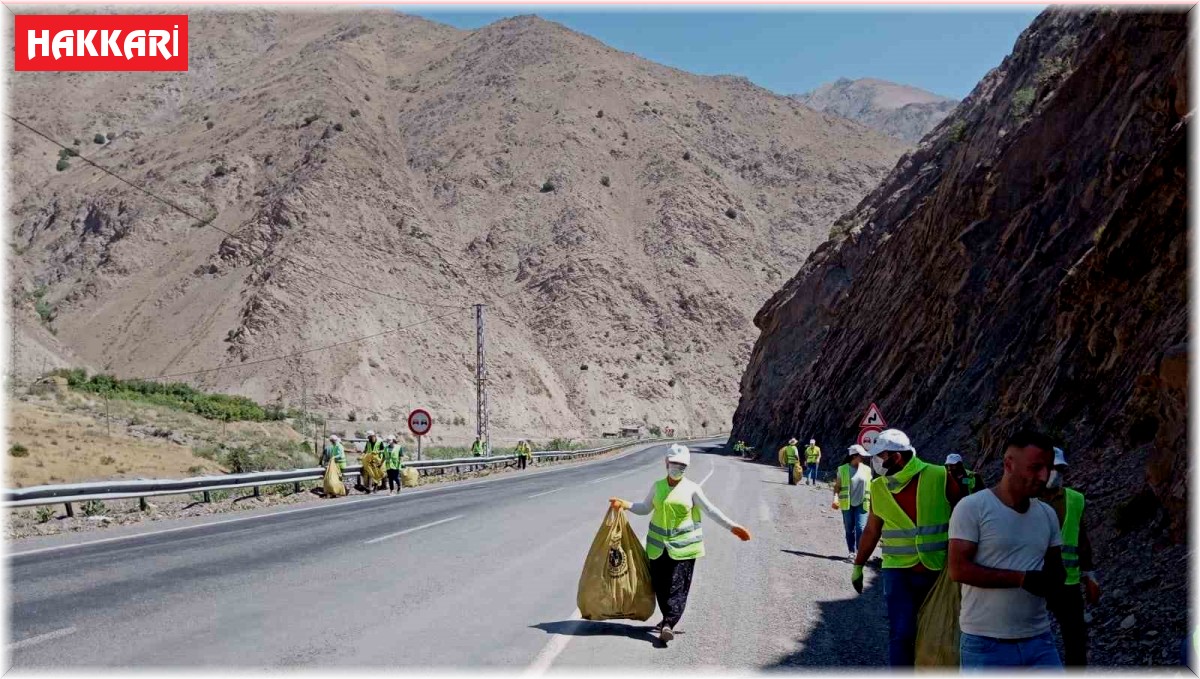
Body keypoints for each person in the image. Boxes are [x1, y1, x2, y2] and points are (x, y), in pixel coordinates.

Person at [609, 444, 751, 644]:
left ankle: (668, 624)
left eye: (682, 465)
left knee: (677, 587)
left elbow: (710, 510)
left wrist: (732, 527)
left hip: (684, 549)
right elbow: (645, 508)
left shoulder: (692, 489)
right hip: (657, 548)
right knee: (660, 586)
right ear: (666, 463)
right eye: (675, 463)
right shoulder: (657, 486)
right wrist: (626, 505)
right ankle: (667, 618)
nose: (678, 468)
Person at [948, 429, 1066, 669]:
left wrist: (1057, 580)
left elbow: (1056, 568)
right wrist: (1020, 578)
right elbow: (958, 569)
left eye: (1048, 468)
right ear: (1009, 464)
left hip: (1039, 640)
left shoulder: (1047, 514)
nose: (1044, 476)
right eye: (1035, 468)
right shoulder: (972, 508)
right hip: (986, 643)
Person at [852, 428, 966, 667]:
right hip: (897, 573)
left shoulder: (939, 476)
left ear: (896, 457)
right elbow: (872, 530)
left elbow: (965, 514)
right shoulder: (879, 487)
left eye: (879, 456)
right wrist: (858, 564)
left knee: (936, 633)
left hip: (937, 571)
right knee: (901, 634)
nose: (875, 462)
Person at [1040, 446, 1100, 667]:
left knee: (1075, 639)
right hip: (1034, 581)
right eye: (1052, 468)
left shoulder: (1075, 499)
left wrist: (1090, 576)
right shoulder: (1027, 500)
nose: (1056, 473)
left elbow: (1082, 540)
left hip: (1069, 582)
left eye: (1060, 469)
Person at [832, 444, 873, 560]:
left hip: (862, 503)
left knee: (860, 528)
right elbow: (837, 486)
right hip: (847, 504)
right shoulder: (842, 469)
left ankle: (860, 552)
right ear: (854, 456)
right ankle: (851, 551)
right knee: (849, 529)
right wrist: (835, 498)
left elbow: (872, 487)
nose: (863, 458)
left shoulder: (867, 470)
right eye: (861, 455)